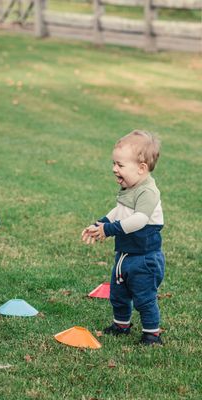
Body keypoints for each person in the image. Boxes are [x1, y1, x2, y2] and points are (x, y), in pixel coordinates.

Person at [81, 130, 165, 345]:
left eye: (119, 165)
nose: (114, 169)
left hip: (144, 258)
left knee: (144, 298)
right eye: (113, 163)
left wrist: (109, 230)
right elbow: (119, 210)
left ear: (141, 168)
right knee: (118, 294)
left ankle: (152, 334)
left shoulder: (148, 192)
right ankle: (121, 325)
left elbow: (139, 220)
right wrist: (100, 223)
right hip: (126, 254)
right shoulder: (130, 187)